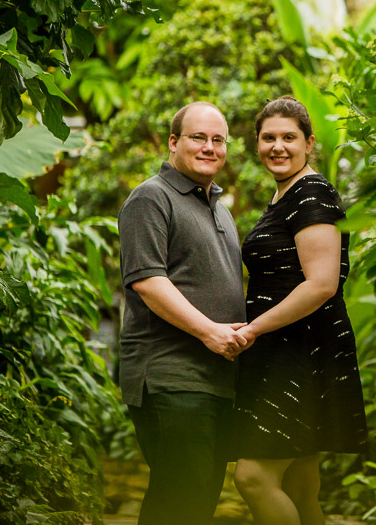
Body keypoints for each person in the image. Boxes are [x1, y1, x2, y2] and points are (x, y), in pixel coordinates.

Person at [231, 96, 368, 525]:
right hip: (288, 345)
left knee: (253, 478)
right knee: (299, 480)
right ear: (256, 143)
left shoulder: (310, 193)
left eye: (288, 138)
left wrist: (252, 330)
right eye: (268, 138)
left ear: (309, 143)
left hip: (297, 349)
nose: (278, 146)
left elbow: (322, 283)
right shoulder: (285, 195)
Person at [118, 101, 249, 524]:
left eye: (218, 140)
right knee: (181, 502)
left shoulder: (220, 208)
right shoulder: (150, 198)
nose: (210, 147)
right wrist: (210, 331)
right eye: (198, 137)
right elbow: (148, 282)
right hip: (170, 376)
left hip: (215, 380)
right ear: (174, 142)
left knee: (197, 502)